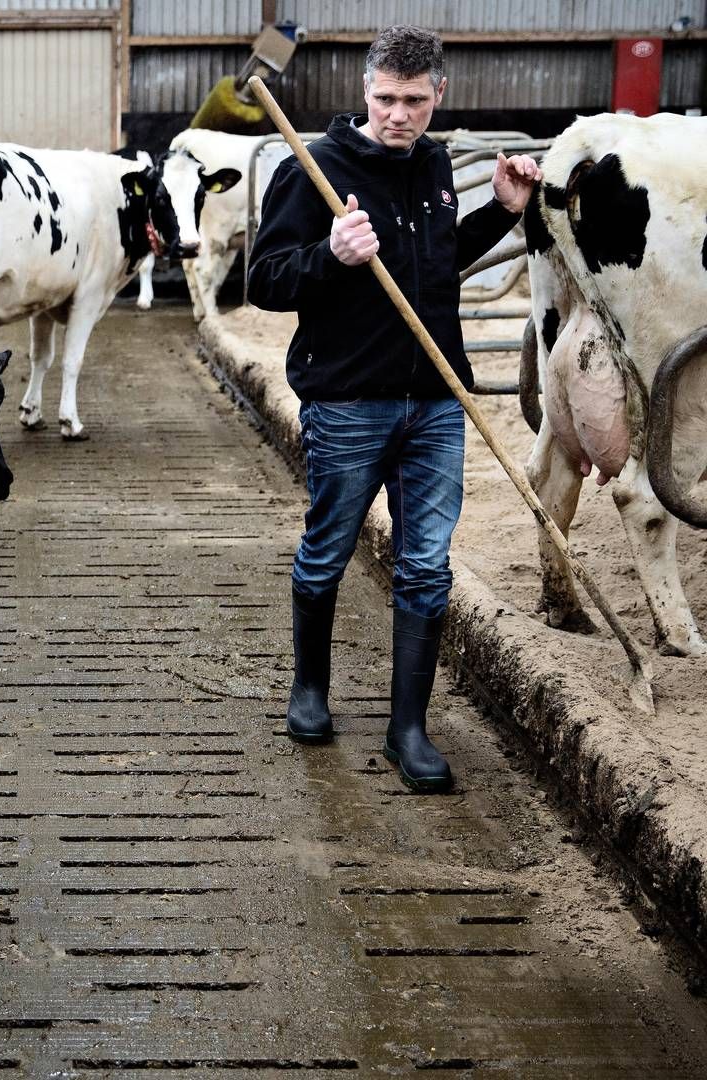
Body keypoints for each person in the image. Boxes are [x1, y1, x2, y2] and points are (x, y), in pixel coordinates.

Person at [246, 25, 542, 793]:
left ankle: (408, 728)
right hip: (348, 402)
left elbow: (434, 261)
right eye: (385, 98)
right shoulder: (313, 169)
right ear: (364, 91)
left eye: (414, 100)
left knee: (425, 565)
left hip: (436, 403)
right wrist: (329, 256)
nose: (398, 115)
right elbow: (265, 281)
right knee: (328, 549)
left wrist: (502, 210)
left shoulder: (437, 165)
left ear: (437, 95)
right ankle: (310, 689)